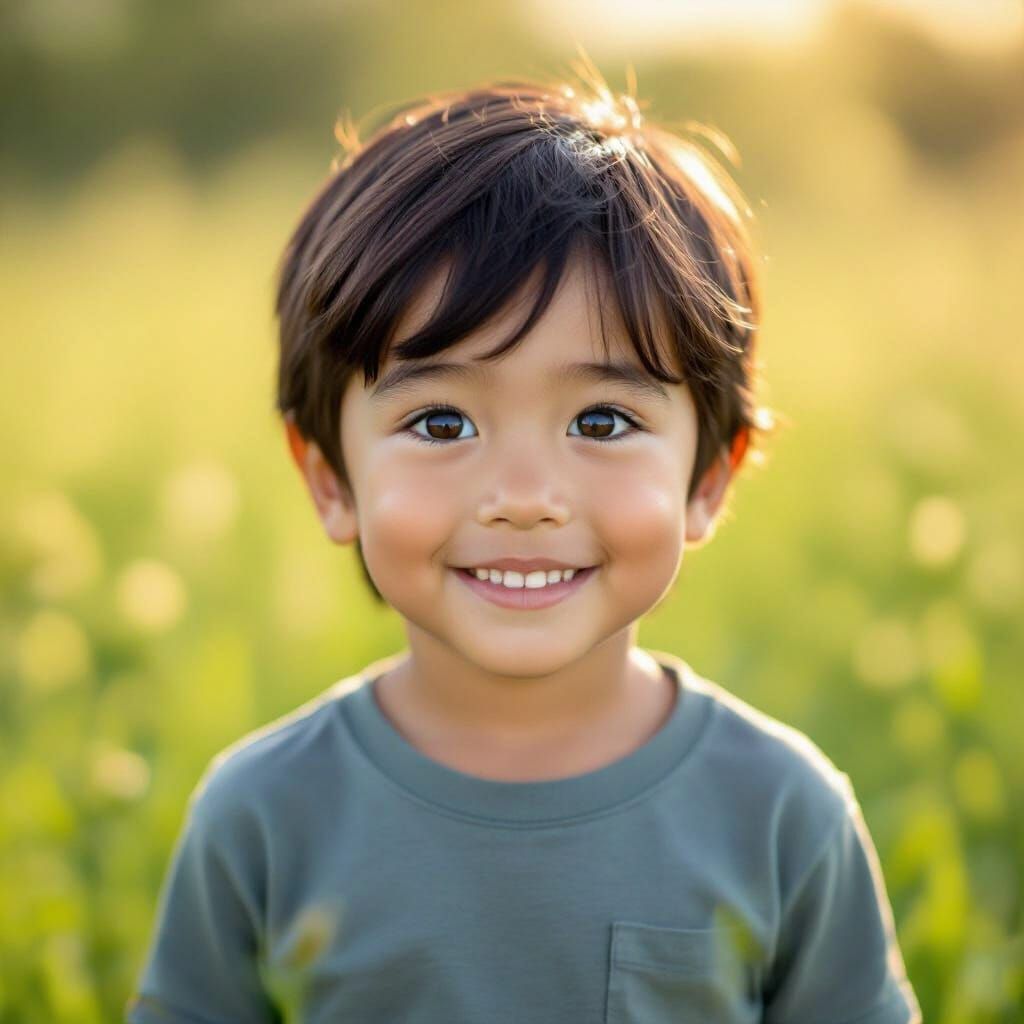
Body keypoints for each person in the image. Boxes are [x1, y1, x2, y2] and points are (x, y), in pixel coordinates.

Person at [126, 65, 922, 1023]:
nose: (524, 499)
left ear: (708, 480)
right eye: (440, 424)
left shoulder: (782, 812)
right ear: (329, 480)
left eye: (600, 420)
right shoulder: (263, 815)